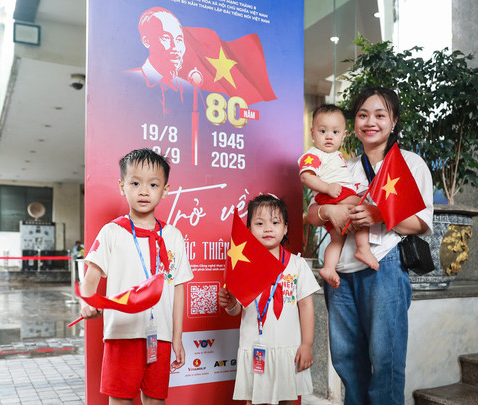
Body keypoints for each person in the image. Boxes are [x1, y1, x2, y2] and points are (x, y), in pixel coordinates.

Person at [307, 88, 433, 405]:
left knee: (385, 360)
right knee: (347, 361)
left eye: (380, 115)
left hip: (384, 267)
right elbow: (311, 213)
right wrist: (329, 212)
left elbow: (422, 222)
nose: (370, 122)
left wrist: (382, 214)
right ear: (354, 123)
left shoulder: (410, 164)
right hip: (340, 274)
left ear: (394, 121)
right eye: (363, 115)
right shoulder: (341, 165)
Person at [79, 148, 193, 405]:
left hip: (160, 336)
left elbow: (178, 290)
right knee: (120, 400)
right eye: (135, 183)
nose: (144, 191)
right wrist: (88, 303)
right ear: (122, 186)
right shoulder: (111, 232)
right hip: (121, 334)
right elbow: (90, 279)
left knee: (156, 400)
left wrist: (177, 338)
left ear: (165, 190)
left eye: (153, 184)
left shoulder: (173, 236)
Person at [218, 195, 320, 405]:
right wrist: (230, 303)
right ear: (248, 230)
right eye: (259, 223)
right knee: (254, 399)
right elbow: (237, 309)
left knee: (288, 399)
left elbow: (306, 306)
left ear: (285, 228)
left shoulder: (297, 265)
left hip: (288, 348)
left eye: (275, 222)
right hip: (255, 348)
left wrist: (307, 343)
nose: (268, 229)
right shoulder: (243, 266)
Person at [299, 104, 379, 289]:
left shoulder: (337, 156)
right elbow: (306, 177)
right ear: (312, 133)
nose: (329, 136)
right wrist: (327, 187)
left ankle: (328, 267)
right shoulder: (314, 155)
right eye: (323, 131)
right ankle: (363, 248)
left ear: (343, 135)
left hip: (333, 197)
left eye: (335, 132)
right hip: (332, 194)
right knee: (362, 207)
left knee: (337, 238)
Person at [128, 7, 193, 115]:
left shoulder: (191, 90)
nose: (175, 47)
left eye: (179, 39)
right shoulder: (127, 81)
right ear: (147, 41)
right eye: (166, 38)